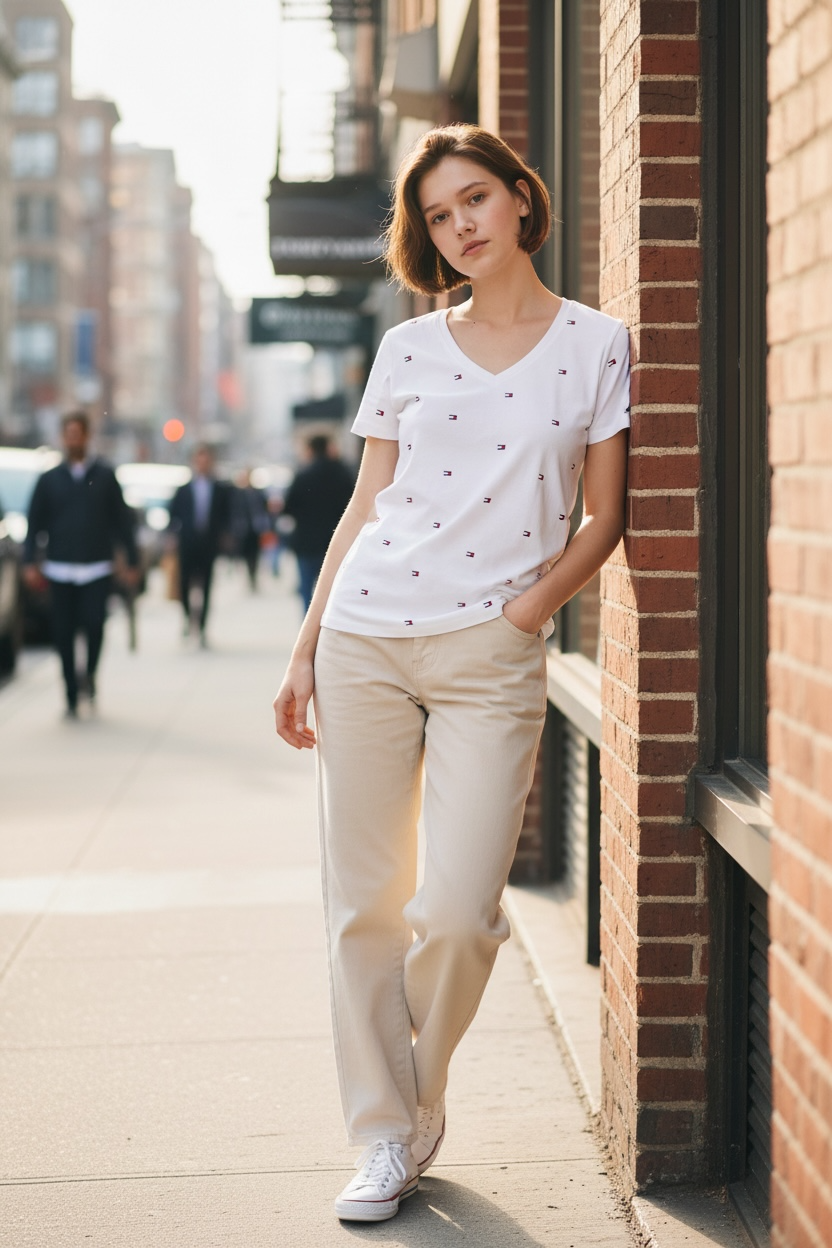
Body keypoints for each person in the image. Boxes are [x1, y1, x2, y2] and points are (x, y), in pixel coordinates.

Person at [273, 124, 630, 1224]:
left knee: (462, 911)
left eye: (476, 198)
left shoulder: (596, 341)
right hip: (368, 635)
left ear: (523, 200)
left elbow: (603, 517)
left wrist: (528, 609)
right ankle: (386, 1134)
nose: (461, 224)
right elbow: (364, 506)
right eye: (437, 214)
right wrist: (305, 648)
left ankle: (412, 1098)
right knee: (361, 907)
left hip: (491, 651)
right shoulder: (410, 349)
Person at [23, 410, 140, 718]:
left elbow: (122, 521)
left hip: (96, 567)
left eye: (79, 434)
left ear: (87, 437)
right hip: (59, 568)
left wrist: (132, 559)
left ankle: (89, 674)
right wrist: (29, 561)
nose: (73, 439)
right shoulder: (49, 480)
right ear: (64, 438)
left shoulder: (104, 476)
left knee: (93, 625)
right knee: (62, 633)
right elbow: (34, 523)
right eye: (69, 434)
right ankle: (70, 692)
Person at [282, 435, 354, 612]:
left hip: (306, 544)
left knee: (306, 591)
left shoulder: (302, 475)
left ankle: (308, 634)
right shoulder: (343, 474)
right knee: (332, 592)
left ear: (310, 450)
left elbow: (288, 508)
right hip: (335, 542)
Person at [168, 444, 231, 646]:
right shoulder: (184, 489)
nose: (203, 462)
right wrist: (172, 536)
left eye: (206, 458)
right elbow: (173, 515)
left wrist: (225, 536)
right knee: (185, 584)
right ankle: (188, 618)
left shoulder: (220, 489)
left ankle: (202, 627)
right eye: (199, 458)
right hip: (187, 544)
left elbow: (226, 516)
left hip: (209, 545)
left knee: (206, 587)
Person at [231, 468, 271, 591]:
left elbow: (264, 509)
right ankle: (250, 577)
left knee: (255, 555)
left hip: (256, 528)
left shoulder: (258, 493)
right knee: (246, 555)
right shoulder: (238, 493)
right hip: (243, 528)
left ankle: (253, 577)